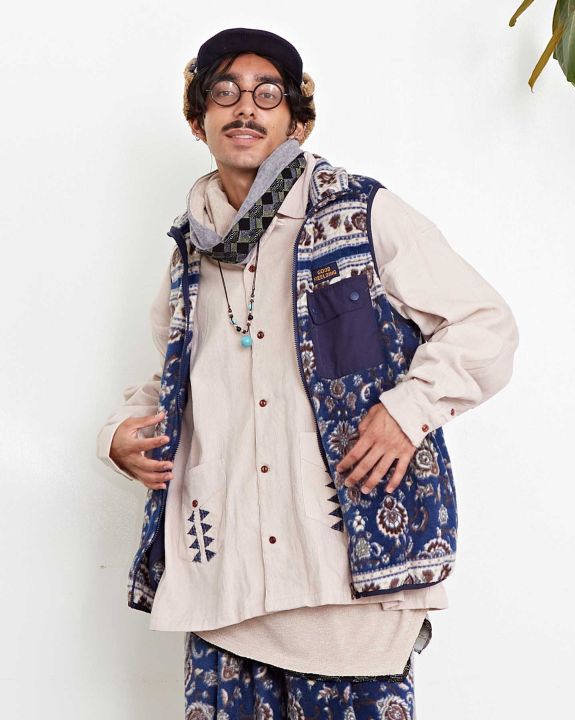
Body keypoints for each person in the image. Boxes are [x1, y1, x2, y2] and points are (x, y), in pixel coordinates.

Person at [96, 27, 519, 719]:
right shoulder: (189, 254)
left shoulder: (363, 212)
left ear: (298, 120)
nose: (246, 107)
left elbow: (486, 324)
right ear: (198, 119)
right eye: (224, 91)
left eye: (269, 93)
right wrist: (118, 434)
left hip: (345, 589)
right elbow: (174, 383)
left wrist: (408, 410)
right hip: (224, 590)